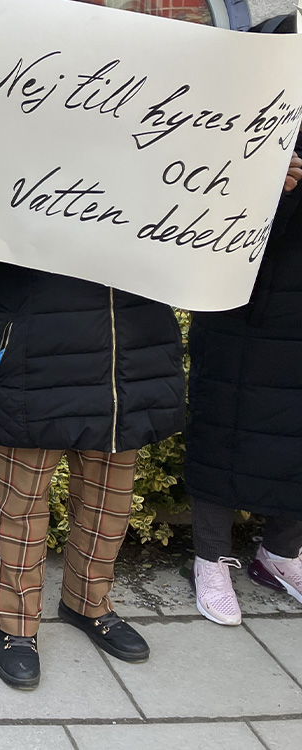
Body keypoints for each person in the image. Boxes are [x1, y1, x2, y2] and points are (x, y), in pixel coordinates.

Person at [0, 127, 186, 688]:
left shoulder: (166, 138)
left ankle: (88, 604)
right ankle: (16, 626)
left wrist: (265, 193)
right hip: (32, 353)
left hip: (128, 354)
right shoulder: (17, 131)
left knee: (108, 502)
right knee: (20, 509)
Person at [185, 13, 302, 627]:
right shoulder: (220, 120)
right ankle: (210, 560)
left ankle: (280, 553)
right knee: (224, 433)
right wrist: (268, 194)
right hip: (243, 312)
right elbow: (199, 221)